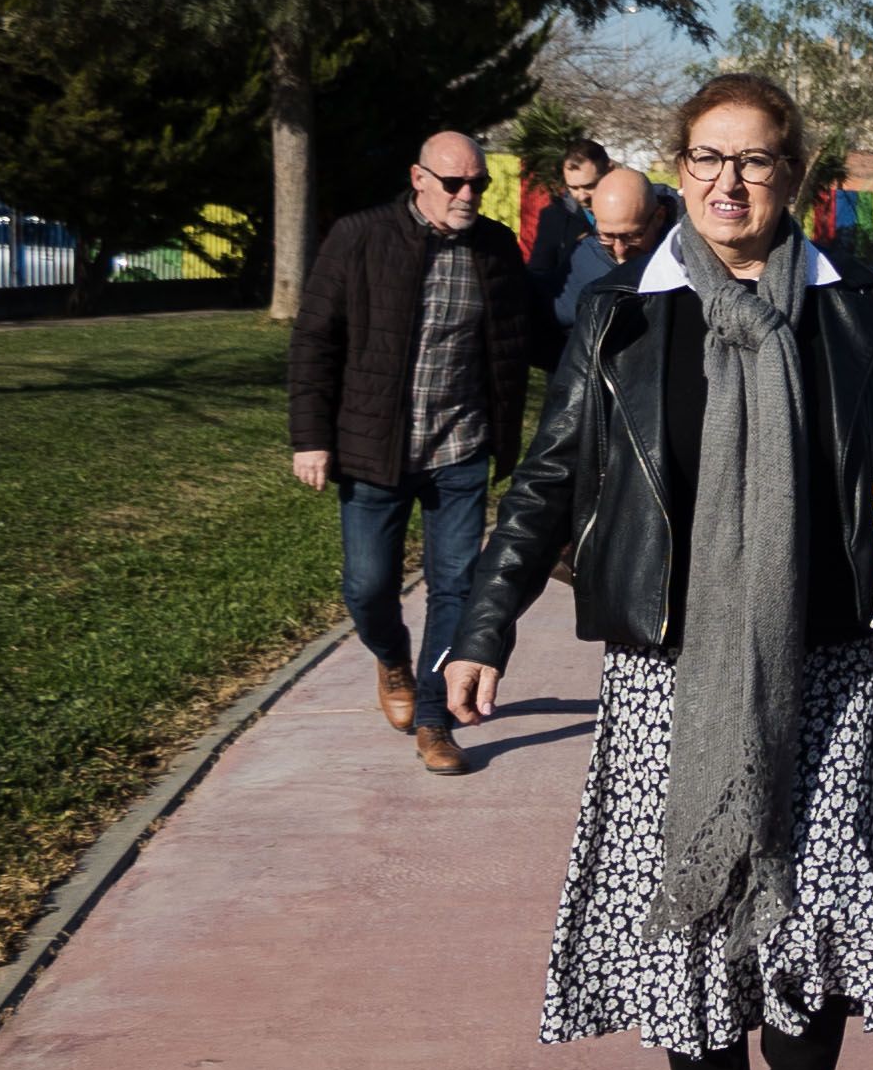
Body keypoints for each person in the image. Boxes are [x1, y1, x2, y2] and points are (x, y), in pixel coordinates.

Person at [439, 74, 873, 1070]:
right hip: (667, 666)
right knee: (685, 911)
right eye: (706, 159)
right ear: (681, 167)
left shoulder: (855, 307)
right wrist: (485, 625)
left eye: (755, 162)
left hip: (828, 663)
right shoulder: (625, 311)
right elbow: (548, 479)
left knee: (822, 900)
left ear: (795, 177)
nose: (729, 183)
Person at [287, 129, 537, 777]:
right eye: (455, 183)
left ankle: (434, 718)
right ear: (418, 178)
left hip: (459, 448)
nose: (468, 195)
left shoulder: (494, 248)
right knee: (368, 588)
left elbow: (526, 336)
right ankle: (391, 657)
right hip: (375, 449)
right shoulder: (360, 237)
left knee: (455, 586)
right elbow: (316, 340)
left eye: (477, 184)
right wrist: (311, 436)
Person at [524, 141, 609, 366]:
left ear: (608, 172)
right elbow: (539, 273)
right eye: (573, 187)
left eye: (589, 186)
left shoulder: (635, 210)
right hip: (568, 347)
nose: (581, 196)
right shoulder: (554, 217)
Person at [557, 164, 673, 327]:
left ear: (659, 217)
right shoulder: (584, 256)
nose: (620, 251)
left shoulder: (685, 256)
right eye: (607, 236)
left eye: (631, 236)